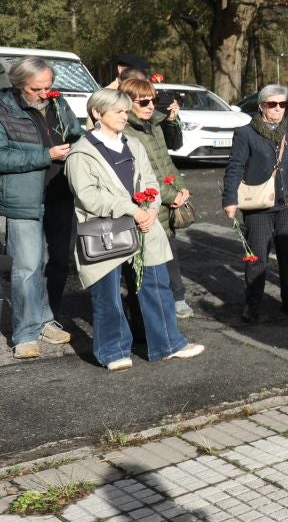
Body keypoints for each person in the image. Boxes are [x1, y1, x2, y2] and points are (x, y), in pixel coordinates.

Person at [65, 88, 203, 369]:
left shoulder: (133, 143)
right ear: (96, 114)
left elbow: (150, 181)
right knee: (108, 294)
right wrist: (133, 210)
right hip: (106, 230)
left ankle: (167, 344)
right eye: (117, 111)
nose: (123, 116)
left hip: (145, 224)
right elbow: (89, 196)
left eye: (125, 111)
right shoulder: (81, 152)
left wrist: (151, 209)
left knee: (156, 286)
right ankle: (113, 352)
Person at [0, 57, 80, 359]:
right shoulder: (3, 109)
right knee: (27, 267)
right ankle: (24, 334)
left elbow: (76, 135)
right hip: (24, 199)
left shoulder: (59, 104)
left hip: (60, 195)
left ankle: (46, 318)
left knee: (56, 263)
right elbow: (2, 157)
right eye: (37, 89)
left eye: (49, 87)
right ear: (19, 85)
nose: (45, 94)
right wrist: (45, 154)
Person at [223, 83, 288, 323]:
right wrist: (230, 198)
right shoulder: (246, 133)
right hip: (258, 202)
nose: (278, 109)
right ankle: (252, 304)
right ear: (261, 106)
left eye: (282, 104)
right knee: (257, 255)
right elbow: (235, 166)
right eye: (272, 104)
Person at [120, 78, 194, 319]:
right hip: (145, 202)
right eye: (144, 101)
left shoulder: (153, 125)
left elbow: (166, 161)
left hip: (164, 199)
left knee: (169, 250)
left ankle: (177, 297)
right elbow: (139, 174)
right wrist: (170, 195)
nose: (150, 105)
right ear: (128, 103)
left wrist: (181, 189)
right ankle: (142, 308)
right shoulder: (126, 131)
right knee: (143, 259)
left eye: (154, 100)